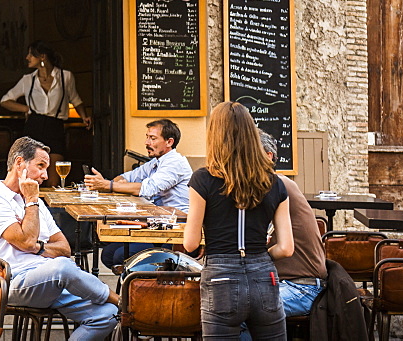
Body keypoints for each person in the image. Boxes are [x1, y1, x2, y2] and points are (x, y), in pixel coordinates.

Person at [0, 136, 118, 341]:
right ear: (20, 164)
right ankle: (119, 300)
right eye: (41, 166)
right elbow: (26, 241)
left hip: (50, 281)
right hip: (14, 283)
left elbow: (64, 248)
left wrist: (38, 248)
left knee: (107, 315)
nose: (46, 175)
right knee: (62, 267)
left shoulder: (37, 203)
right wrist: (31, 200)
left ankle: (114, 305)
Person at [183, 102, 294, 340]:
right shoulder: (275, 183)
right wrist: (261, 256)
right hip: (265, 276)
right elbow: (286, 248)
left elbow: (190, 243)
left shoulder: (203, 179)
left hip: (220, 277)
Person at [83, 118, 193, 269]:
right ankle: (135, 283)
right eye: (147, 137)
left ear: (169, 142)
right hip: (154, 224)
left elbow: (147, 189)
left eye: (153, 138)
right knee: (108, 254)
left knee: (120, 256)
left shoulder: (174, 163)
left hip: (174, 232)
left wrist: (108, 185)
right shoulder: (156, 162)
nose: (147, 142)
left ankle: (144, 284)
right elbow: (128, 177)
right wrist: (115, 183)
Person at [257, 130, 326, 321]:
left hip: (302, 287)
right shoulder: (275, 185)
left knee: (246, 311)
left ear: (268, 156)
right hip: (287, 283)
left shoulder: (277, 185)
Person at [0, 41, 91, 165]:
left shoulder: (65, 77)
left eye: (31, 54)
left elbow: (76, 99)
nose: (27, 57)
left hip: (55, 127)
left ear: (42, 57)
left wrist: (84, 117)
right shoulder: (28, 80)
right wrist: (27, 109)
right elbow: (5, 101)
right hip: (34, 126)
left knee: (54, 175)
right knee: (32, 172)